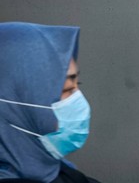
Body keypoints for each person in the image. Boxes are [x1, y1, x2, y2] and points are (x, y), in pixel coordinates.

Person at [0, 22, 98, 183]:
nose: (78, 101)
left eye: (77, 86)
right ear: (13, 105)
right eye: (66, 89)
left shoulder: (55, 171)